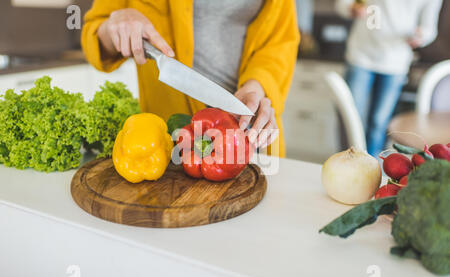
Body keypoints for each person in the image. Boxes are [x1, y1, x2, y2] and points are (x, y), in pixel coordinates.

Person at [81, 0, 300, 157]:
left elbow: (280, 40)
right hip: (170, 143)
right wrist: (114, 26)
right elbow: (96, 36)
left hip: (250, 129)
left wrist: (256, 86)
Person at [336, 0, 442, 156]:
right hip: (361, 55)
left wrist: (421, 36)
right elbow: (343, 4)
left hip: (396, 61)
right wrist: (351, 8)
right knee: (351, 118)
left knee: (379, 122)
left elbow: (429, 29)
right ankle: (346, 162)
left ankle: (371, 164)